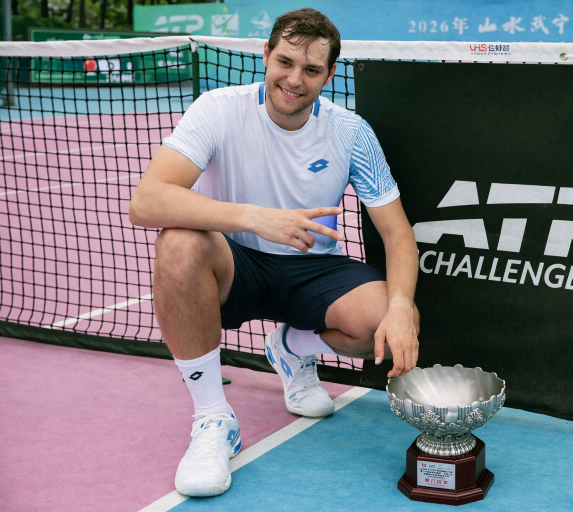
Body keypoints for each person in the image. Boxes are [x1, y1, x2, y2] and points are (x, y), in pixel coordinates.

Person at [128, 8, 420, 498]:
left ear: (329, 75)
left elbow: (397, 234)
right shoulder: (218, 108)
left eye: (310, 70)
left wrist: (399, 308)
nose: (293, 79)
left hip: (312, 269)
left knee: (380, 321)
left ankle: (291, 349)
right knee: (177, 240)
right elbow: (146, 201)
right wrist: (254, 218)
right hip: (233, 263)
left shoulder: (351, 133)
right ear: (265, 55)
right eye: (285, 61)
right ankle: (213, 419)